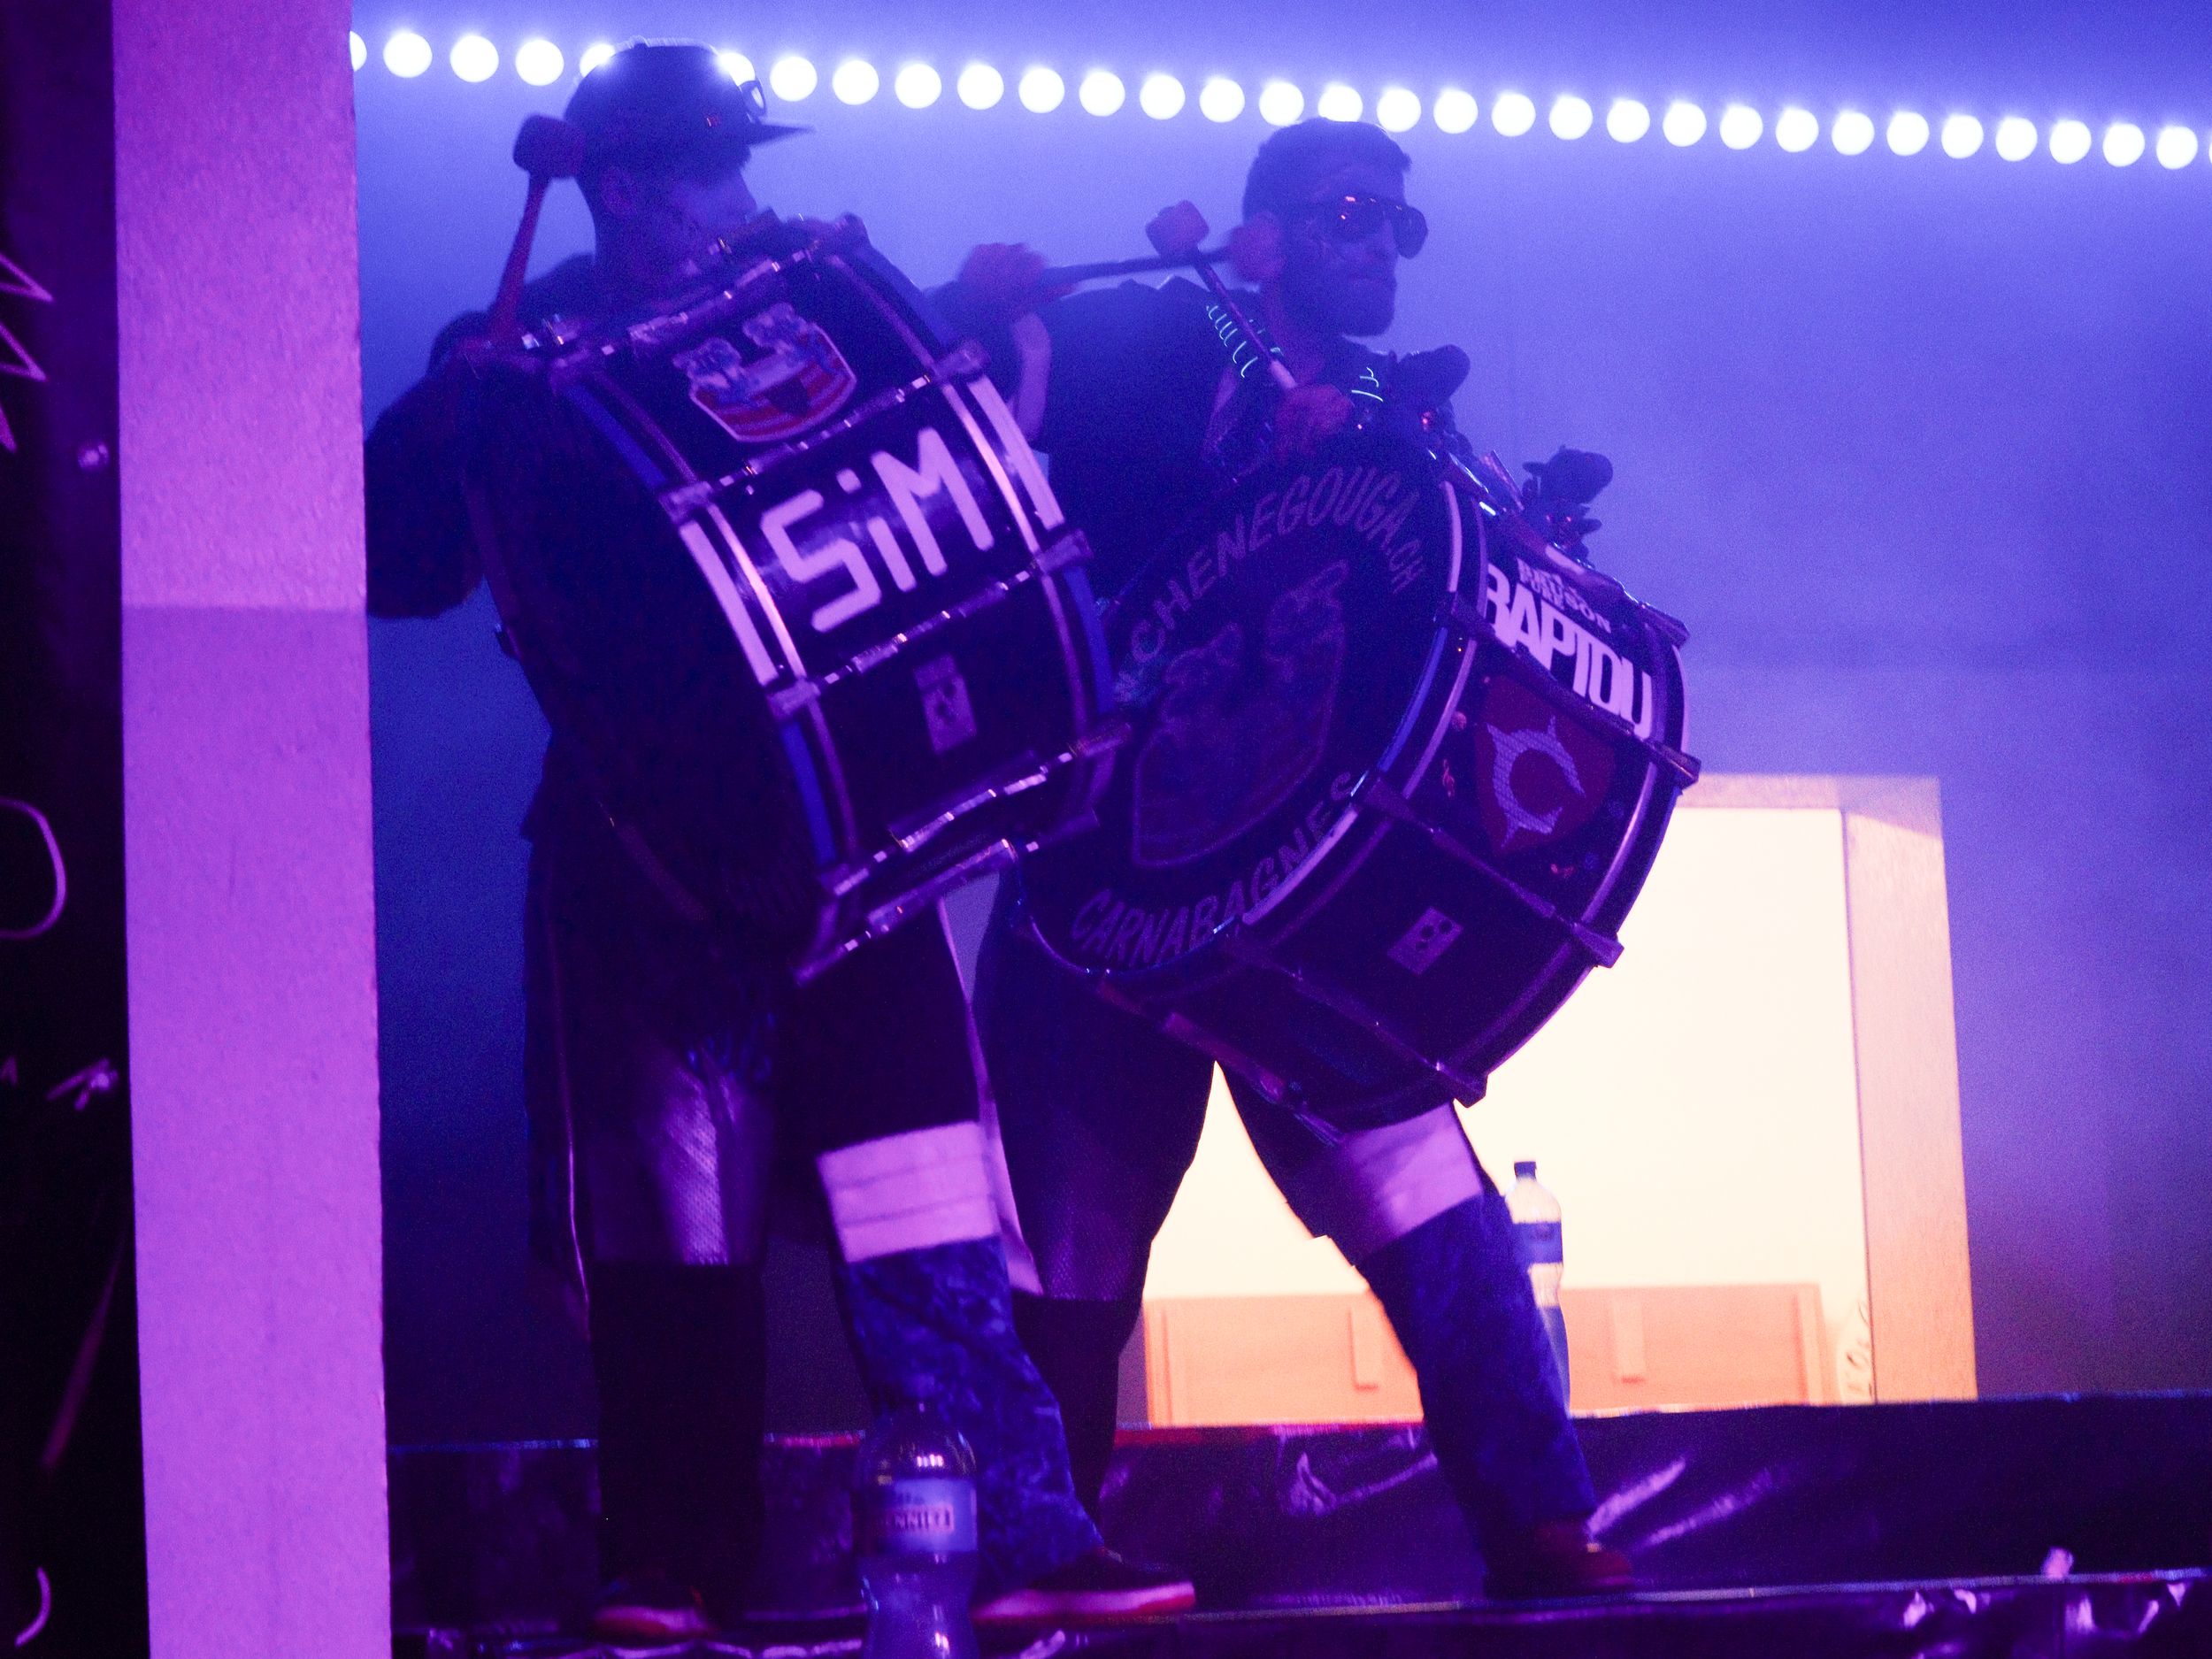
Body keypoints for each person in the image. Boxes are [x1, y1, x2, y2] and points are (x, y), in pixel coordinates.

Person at [363, 40, 1191, 1638]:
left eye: (742, 164)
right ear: (616, 190)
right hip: (649, 861)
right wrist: (459, 393)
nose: (738, 196)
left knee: (929, 1209)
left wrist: (950, 311)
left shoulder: (814, 300)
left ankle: (1027, 1532)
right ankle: (671, 1562)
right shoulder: (529, 358)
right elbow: (398, 563)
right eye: (706, 170)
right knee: (671, 1232)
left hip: (851, 849)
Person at [946, 118, 1635, 1599]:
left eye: (1399, 224)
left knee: (1428, 1192)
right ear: (1261, 233)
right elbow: (994, 431)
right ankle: (1041, 1554)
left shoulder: (1401, 411)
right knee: (1070, 1252)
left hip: (1300, 884)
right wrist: (981, 311)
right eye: (1348, 215)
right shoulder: (1151, 332)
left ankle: (1541, 1520)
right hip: (1110, 876)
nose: (1381, 243)